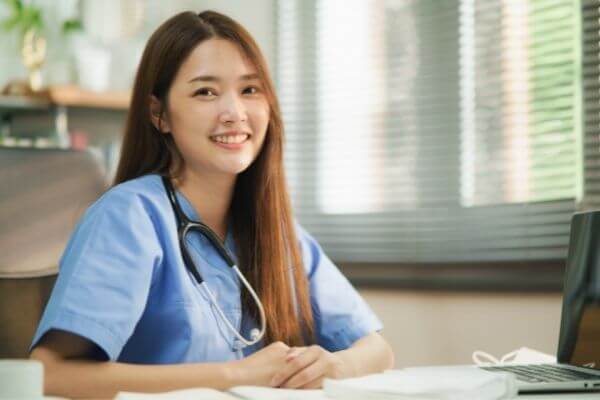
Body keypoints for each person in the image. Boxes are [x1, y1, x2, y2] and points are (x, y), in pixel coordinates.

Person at [29, 10, 394, 398]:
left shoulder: (277, 232)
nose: (234, 113)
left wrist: (335, 365)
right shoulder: (130, 217)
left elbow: (377, 351)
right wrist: (235, 375)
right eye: (205, 91)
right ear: (160, 114)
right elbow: (51, 374)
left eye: (250, 90)